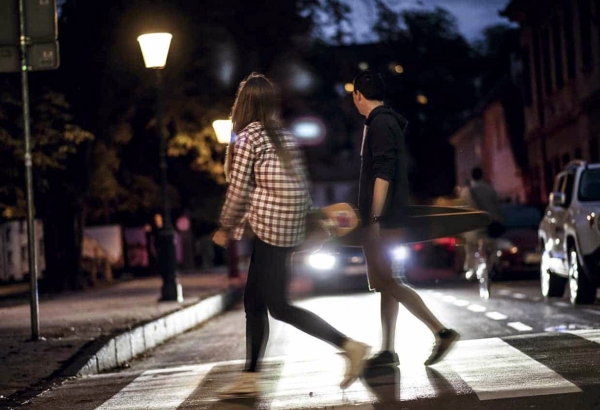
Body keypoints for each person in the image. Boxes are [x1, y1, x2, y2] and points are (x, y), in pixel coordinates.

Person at [212, 72, 370, 399]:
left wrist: (225, 226)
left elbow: (239, 190)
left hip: (270, 228)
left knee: (279, 306)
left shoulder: (248, 137)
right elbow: (302, 185)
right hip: (289, 226)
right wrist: (307, 226)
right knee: (254, 301)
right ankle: (250, 376)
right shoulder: (284, 136)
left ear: (242, 104)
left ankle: (349, 346)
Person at [345, 70, 459, 367]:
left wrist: (374, 218)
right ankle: (388, 349)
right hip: (388, 218)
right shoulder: (384, 121)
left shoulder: (380, 124)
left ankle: (441, 332)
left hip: (383, 221)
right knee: (387, 283)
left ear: (358, 95)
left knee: (388, 282)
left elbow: (382, 174)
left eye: (353, 95)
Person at [460, 166, 502, 280]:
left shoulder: (466, 191)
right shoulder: (489, 189)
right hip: (489, 224)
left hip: (473, 226)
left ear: (471, 176)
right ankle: (493, 265)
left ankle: (470, 269)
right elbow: (497, 207)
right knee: (491, 246)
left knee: (470, 247)